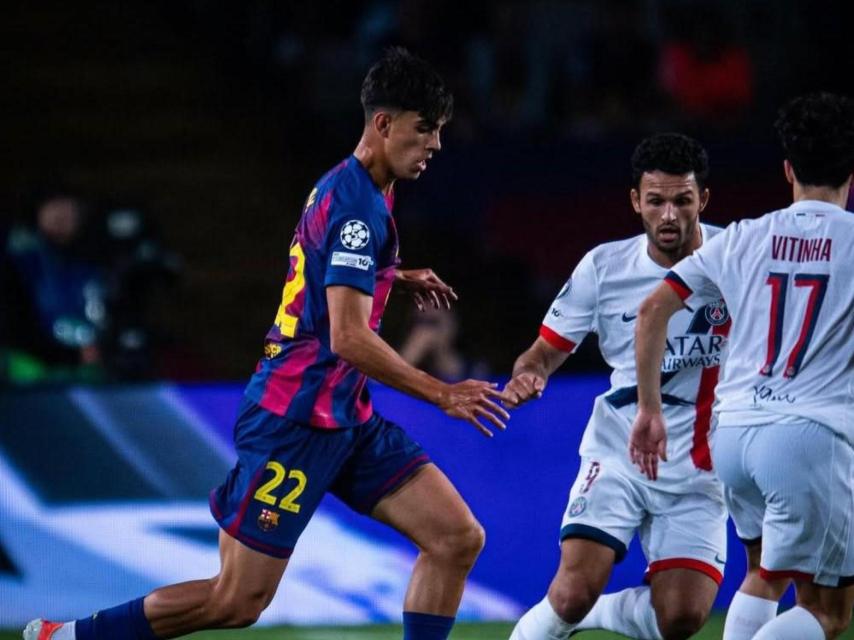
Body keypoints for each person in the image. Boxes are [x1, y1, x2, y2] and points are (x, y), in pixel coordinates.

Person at [25, 47, 510, 640]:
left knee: (456, 537)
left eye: (438, 131)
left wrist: (392, 277)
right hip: (294, 420)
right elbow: (348, 337)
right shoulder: (358, 208)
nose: (434, 144)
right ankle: (71, 637)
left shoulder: (357, 186)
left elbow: (316, 264)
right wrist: (442, 394)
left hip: (346, 420)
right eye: (424, 129)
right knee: (236, 602)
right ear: (383, 124)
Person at [630, 92, 854, 640]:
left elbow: (652, 309)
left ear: (787, 169)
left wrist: (649, 408)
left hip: (733, 435)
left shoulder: (745, 237)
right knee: (829, 611)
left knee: (764, 574)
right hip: (809, 435)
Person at [504, 133, 729, 640]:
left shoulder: (735, 258)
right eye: (656, 201)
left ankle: (603, 614)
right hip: (620, 443)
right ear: (636, 201)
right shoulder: (604, 267)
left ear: (704, 200)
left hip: (702, 459)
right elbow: (543, 350)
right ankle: (577, 610)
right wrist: (530, 373)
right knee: (570, 593)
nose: (669, 215)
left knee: (681, 618)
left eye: (682, 200)